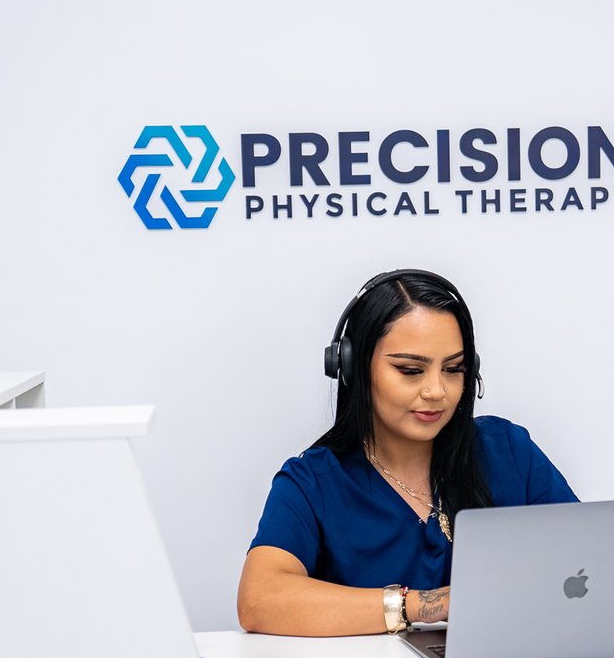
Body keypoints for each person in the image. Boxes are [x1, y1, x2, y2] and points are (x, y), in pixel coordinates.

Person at [237, 269, 577, 637]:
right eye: (411, 370)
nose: (436, 390)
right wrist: (423, 605)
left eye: (453, 369)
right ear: (353, 368)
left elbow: (588, 560)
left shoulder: (509, 451)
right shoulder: (313, 483)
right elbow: (259, 600)